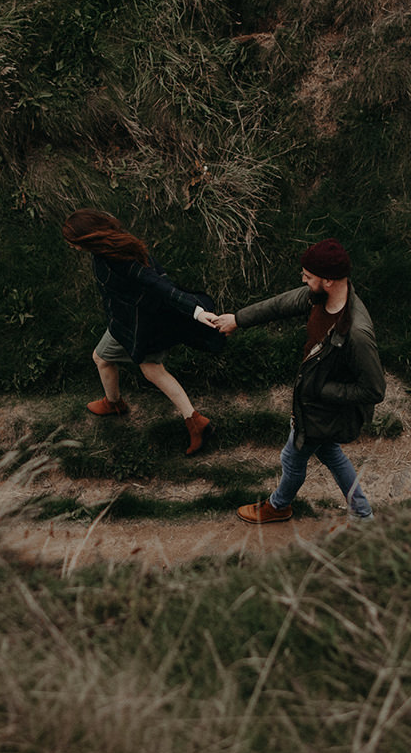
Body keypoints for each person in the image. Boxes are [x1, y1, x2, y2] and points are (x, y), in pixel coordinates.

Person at [213, 238, 384, 522]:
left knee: (292, 459)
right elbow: (280, 305)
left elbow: (374, 389)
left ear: (328, 280)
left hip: (322, 409)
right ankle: (363, 514)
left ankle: (278, 507)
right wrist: (238, 319)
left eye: (308, 276)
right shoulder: (318, 297)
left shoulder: (356, 333)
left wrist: (319, 390)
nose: (302, 279)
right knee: (330, 453)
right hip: (313, 403)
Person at [61, 208, 223, 455]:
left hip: (142, 325)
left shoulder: (121, 261)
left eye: (73, 243)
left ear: (87, 240)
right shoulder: (109, 244)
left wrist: (198, 312)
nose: (72, 247)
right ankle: (114, 403)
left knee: (148, 370)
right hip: (125, 322)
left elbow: (162, 287)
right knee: (107, 359)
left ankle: (194, 421)